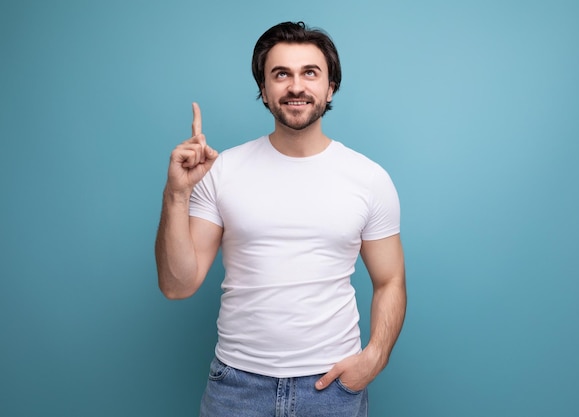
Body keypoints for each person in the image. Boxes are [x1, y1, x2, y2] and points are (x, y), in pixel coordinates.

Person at [155, 21, 406, 417]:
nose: (295, 86)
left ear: (330, 87)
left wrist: (375, 357)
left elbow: (390, 280)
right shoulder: (221, 170)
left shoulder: (369, 179)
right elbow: (177, 285)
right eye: (280, 74)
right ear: (264, 90)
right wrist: (177, 194)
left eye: (310, 72)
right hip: (237, 388)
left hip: (332, 389)